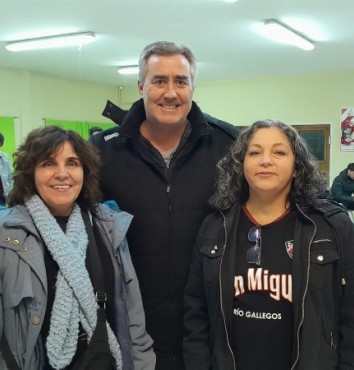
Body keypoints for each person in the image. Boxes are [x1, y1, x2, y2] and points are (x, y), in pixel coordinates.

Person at [0, 126, 155, 370]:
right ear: (30, 171)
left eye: (72, 163)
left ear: (84, 172)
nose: (62, 173)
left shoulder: (109, 228)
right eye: (48, 163)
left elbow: (133, 319)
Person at [90, 41, 239, 370]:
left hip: (208, 325)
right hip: (131, 323)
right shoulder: (102, 152)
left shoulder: (229, 146)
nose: (170, 92)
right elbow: (59, 201)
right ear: (141, 86)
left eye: (181, 81)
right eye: (159, 81)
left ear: (193, 87)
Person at [183, 119, 354, 370]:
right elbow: (196, 315)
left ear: (297, 166)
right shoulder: (214, 227)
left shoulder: (332, 227)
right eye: (254, 152)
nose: (266, 160)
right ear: (240, 165)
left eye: (279, 152)